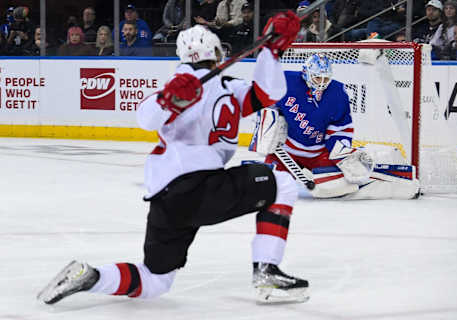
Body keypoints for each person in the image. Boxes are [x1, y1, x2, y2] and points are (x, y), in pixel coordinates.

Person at [37, 12, 306, 305]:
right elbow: (148, 116)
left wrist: (271, 49)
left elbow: (267, 94)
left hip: (167, 198)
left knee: (155, 280)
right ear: (216, 52)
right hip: (200, 188)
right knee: (281, 184)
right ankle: (266, 271)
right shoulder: (196, 85)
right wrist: (271, 52)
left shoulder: (218, 86)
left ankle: (91, 276)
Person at [249, 54, 420, 200]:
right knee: (266, 185)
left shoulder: (337, 93)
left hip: (318, 153)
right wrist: (266, 127)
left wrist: (339, 152)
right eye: (318, 78)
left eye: (326, 79)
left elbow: (341, 128)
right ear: (306, 74)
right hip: (287, 152)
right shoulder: (286, 82)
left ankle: (389, 181)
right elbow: (261, 99)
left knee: (333, 186)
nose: (322, 84)